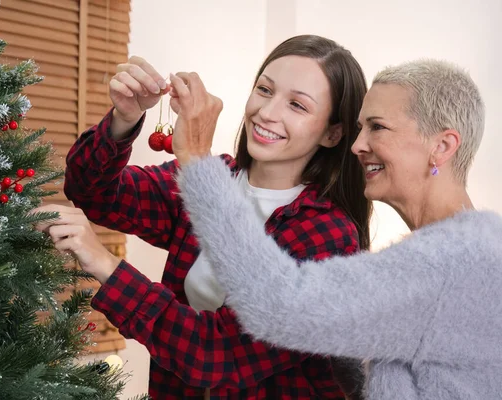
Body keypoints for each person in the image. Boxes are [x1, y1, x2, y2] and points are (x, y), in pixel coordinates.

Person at [34, 35, 372, 399]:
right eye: (264, 89)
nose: (268, 112)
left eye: (297, 105)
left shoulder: (328, 235)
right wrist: (124, 118)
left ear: (333, 133)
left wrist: (103, 262)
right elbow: (92, 192)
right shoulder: (217, 177)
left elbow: (217, 354)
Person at [172, 59, 502, 400]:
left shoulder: (448, 263)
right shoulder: (478, 248)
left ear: (442, 146)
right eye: (360, 128)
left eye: (378, 127)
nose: (358, 145)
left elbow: (278, 304)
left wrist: (197, 160)